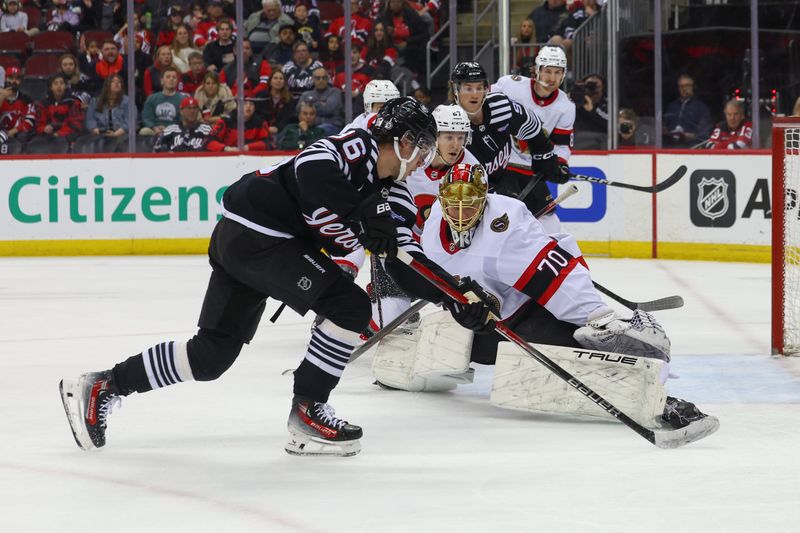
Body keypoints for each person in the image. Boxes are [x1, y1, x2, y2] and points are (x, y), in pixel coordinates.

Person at [58, 97, 497, 457]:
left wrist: (454, 295)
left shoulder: (396, 195)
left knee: (210, 356)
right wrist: (362, 211)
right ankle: (309, 408)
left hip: (254, 244)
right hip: (257, 232)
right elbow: (311, 170)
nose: (423, 160)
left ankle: (103, 385)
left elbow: (406, 262)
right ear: (404, 142)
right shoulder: (357, 146)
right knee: (349, 305)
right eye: (421, 148)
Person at [371, 161, 718, 440]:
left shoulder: (505, 224)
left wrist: (595, 315)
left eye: (470, 203)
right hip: (480, 330)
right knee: (445, 343)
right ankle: (398, 364)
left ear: (485, 199)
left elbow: (552, 274)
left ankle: (663, 403)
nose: (461, 211)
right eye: (453, 204)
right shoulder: (431, 227)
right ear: (441, 201)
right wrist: (455, 303)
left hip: (527, 312)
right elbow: (424, 277)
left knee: (577, 356)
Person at [448, 61, 558, 220]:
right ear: (456, 89)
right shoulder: (450, 124)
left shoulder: (500, 107)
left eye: (479, 88)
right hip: (473, 191)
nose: (475, 94)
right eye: (468, 88)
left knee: (548, 218)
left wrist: (544, 155)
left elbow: (533, 128)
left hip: (508, 170)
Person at [491, 45, 574, 233]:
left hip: (531, 170)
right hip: (501, 165)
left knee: (550, 222)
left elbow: (561, 144)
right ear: (536, 70)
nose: (551, 78)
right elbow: (482, 105)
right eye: (547, 71)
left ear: (563, 74)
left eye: (557, 72)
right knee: (504, 215)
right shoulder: (510, 85)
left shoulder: (566, 106)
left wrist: (560, 164)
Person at [377, 0, 428, 81]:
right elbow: (376, 35)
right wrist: (386, 33)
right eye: (393, 2)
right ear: (389, 4)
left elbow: (424, 34)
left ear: (403, 3)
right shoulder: (382, 17)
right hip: (390, 48)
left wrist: (407, 42)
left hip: (411, 49)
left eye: (398, 2)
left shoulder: (412, 15)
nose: (396, 5)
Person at [663, 74, 712, 148]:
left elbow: (705, 133)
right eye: (681, 86)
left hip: (691, 149)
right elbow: (665, 125)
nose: (684, 89)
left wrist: (692, 136)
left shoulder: (701, 108)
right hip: (670, 148)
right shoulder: (672, 107)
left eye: (687, 85)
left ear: (693, 87)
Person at [35, 73, 85, 143]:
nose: (59, 86)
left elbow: (76, 124)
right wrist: (44, 129)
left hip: (68, 136)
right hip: (48, 136)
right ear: (51, 87)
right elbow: (39, 125)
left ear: (65, 86)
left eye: (61, 83)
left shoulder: (72, 102)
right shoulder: (43, 104)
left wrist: (59, 134)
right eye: (55, 83)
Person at [140, 66, 186, 136]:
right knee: (144, 131)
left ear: (177, 81)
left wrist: (168, 129)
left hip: (175, 131)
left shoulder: (183, 99)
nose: (171, 79)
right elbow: (147, 118)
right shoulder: (152, 98)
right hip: (155, 130)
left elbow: (183, 121)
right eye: (168, 77)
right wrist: (154, 128)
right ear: (161, 81)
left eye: (174, 77)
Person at [85, 73, 129, 143]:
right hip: (100, 136)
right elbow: (90, 118)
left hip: (122, 136)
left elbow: (129, 121)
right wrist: (94, 129)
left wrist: (117, 133)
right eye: (113, 81)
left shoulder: (128, 102)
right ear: (107, 85)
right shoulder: (95, 101)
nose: (117, 83)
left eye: (119, 81)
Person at [298, 67, 343, 134]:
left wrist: (310, 104)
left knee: (320, 130)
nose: (321, 80)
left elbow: (328, 109)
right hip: (310, 126)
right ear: (313, 79)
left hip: (331, 126)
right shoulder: (306, 94)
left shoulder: (335, 92)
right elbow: (299, 110)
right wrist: (321, 104)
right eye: (318, 78)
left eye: (324, 78)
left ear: (328, 79)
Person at [571, 72, 608, 149]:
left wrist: (592, 111)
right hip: (576, 143)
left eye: (596, 87)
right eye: (589, 86)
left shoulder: (608, 105)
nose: (592, 90)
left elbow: (610, 126)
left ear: (603, 88)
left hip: (599, 144)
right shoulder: (575, 101)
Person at [0, 67, 36, 144]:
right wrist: (2, 97)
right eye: (10, 78)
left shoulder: (26, 99)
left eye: (17, 79)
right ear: (5, 79)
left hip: (19, 132)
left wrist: (11, 132)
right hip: (1, 131)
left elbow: (30, 121)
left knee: (23, 136)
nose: (14, 81)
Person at [263, 69, 294, 136]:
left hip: (281, 131)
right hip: (263, 129)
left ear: (284, 82)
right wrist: (266, 128)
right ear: (270, 82)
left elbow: (288, 118)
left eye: (281, 78)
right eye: (275, 78)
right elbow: (259, 115)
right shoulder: (262, 97)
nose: (278, 80)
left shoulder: (289, 99)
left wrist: (278, 128)